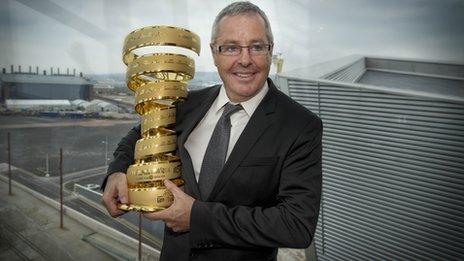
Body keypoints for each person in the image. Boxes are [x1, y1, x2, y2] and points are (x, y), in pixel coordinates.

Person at [102, 2, 322, 260]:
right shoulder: (186, 105)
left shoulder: (300, 125)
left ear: (270, 51)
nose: (245, 59)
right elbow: (138, 136)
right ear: (214, 53)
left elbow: (296, 225)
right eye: (230, 47)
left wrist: (196, 217)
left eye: (257, 46)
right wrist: (117, 171)